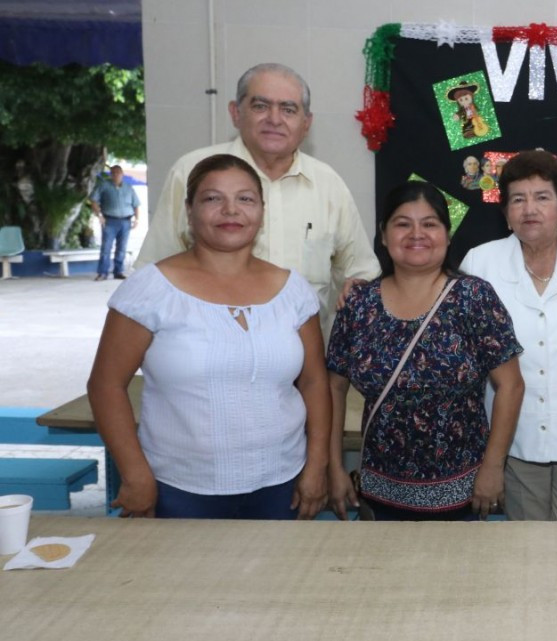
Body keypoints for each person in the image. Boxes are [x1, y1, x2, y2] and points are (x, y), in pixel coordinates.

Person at [87, 154, 330, 519]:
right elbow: (105, 386)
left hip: (283, 483)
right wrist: (135, 474)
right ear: (189, 210)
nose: (230, 210)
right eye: (213, 198)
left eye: (245, 199)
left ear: (261, 211)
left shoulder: (293, 290)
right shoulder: (150, 290)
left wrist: (318, 465)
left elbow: (314, 382)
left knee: (281, 577)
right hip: (179, 488)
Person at [326, 181, 524, 521]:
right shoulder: (359, 304)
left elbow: (511, 385)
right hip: (378, 493)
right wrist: (332, 466)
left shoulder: (473, 298)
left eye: (430, 224)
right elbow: (332, 388)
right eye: (403, 224)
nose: (416, 234)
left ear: (447, 235)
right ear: (384, 236)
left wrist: (493, 468)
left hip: (460, 495)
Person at [137, 63, 380, 337]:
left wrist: (358, 287)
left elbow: (362, 271)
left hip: (302, 368)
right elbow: (150, 277)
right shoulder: (192, 171)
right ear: (235, 113)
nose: (274, 119)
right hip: (202, 361)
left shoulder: (328, 184)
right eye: (260, 106)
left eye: (288, 109)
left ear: (306, 123)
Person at [461, 150, 557, 533]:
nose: (530, 209)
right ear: (506, 212)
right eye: (517, 199)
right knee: (527, 556)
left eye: (542, 197)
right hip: (515, 443)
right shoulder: (480, 263)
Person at [90, 165, 141, 281]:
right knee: (106, 248)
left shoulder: (129, 188)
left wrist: (137, 219)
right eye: (113, 173)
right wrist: (99, 215)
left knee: (122, 248)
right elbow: (94, 201)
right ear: (110, 174)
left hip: (126, 221)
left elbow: (136, 205)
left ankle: (118, 271)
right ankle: (103, 272)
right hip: (109, 220)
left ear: (122, 174)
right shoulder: (103, 186)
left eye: (118, 173)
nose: (116, 175)